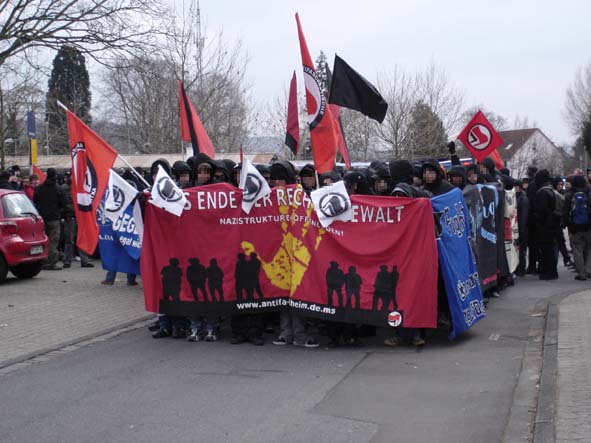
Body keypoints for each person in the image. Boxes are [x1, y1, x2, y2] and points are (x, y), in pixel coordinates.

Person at [33, 168, 65, 270]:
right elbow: (62, 203)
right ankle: (52, 262)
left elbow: (35, 201)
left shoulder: (39, 188)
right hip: (54, 218)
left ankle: (43, 261)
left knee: (43, 240)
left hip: (42, 218)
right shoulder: (58, 189)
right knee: (53, 241)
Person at [564, 174, 591, 280]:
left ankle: (582, 274)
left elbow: (566, 212)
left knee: (577, 250)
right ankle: (589, 271)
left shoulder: (570, 194)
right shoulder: (589, 193)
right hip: (589, 227)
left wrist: (568, 225)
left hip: (575, 227)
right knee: (589, 249)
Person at [534, 169, 560, 280]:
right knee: (550, 249)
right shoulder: (551, 190)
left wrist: (537, 219)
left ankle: (549, 272)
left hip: (544, 226)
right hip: (552, 225)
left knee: (546, 250)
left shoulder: (542, 192)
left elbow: (542, 211)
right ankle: (552, 271)